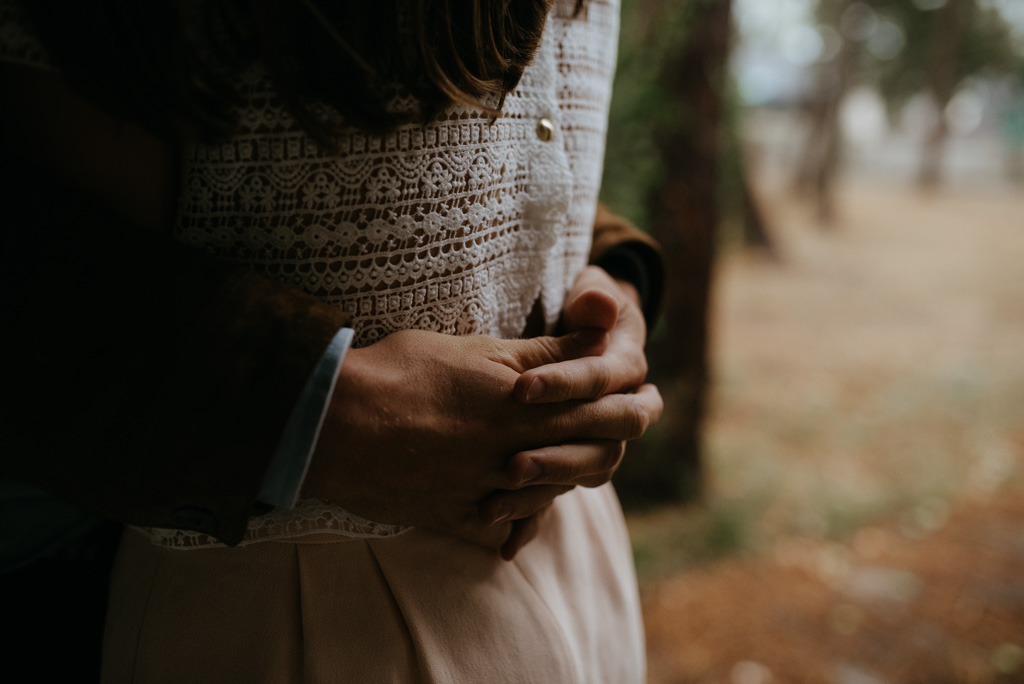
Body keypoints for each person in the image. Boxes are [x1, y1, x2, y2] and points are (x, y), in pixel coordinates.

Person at [0, 0, 664, 681]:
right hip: (286, 590)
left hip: (575, 553)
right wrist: (320, 409)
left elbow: (512, 132)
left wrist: (617, 283)